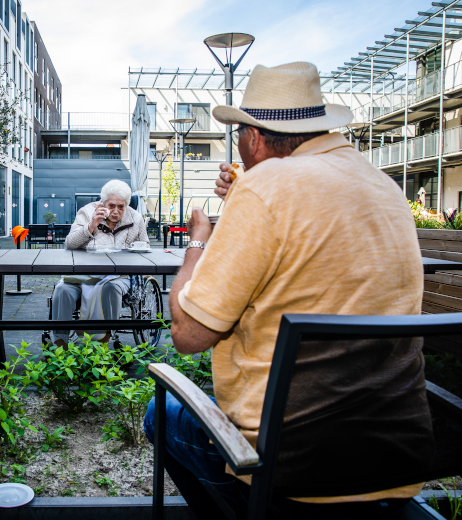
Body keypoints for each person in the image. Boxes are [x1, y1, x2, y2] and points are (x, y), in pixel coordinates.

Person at [143, 62, 432, 517]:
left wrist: (203, 235)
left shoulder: (264, 187)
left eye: (238, 135)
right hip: (391, 460)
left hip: (292, 467)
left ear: (254, 138)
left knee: (159, 416)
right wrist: (245, 197)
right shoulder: (384, 186)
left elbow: (188, 337)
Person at [50, 179, 149, 346]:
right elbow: (70, 243)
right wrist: (91, 225)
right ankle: (60, 345)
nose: (116, 211)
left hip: (118, 276)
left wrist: (135, 251)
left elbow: (145, 246)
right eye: (111, 206)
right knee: (62, 290)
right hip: (83, 274)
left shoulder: (135, 218)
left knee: (110, 288)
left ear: (126, 204)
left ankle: (102, 343)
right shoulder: (87, 212)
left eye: (121, 206)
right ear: (103, 203)